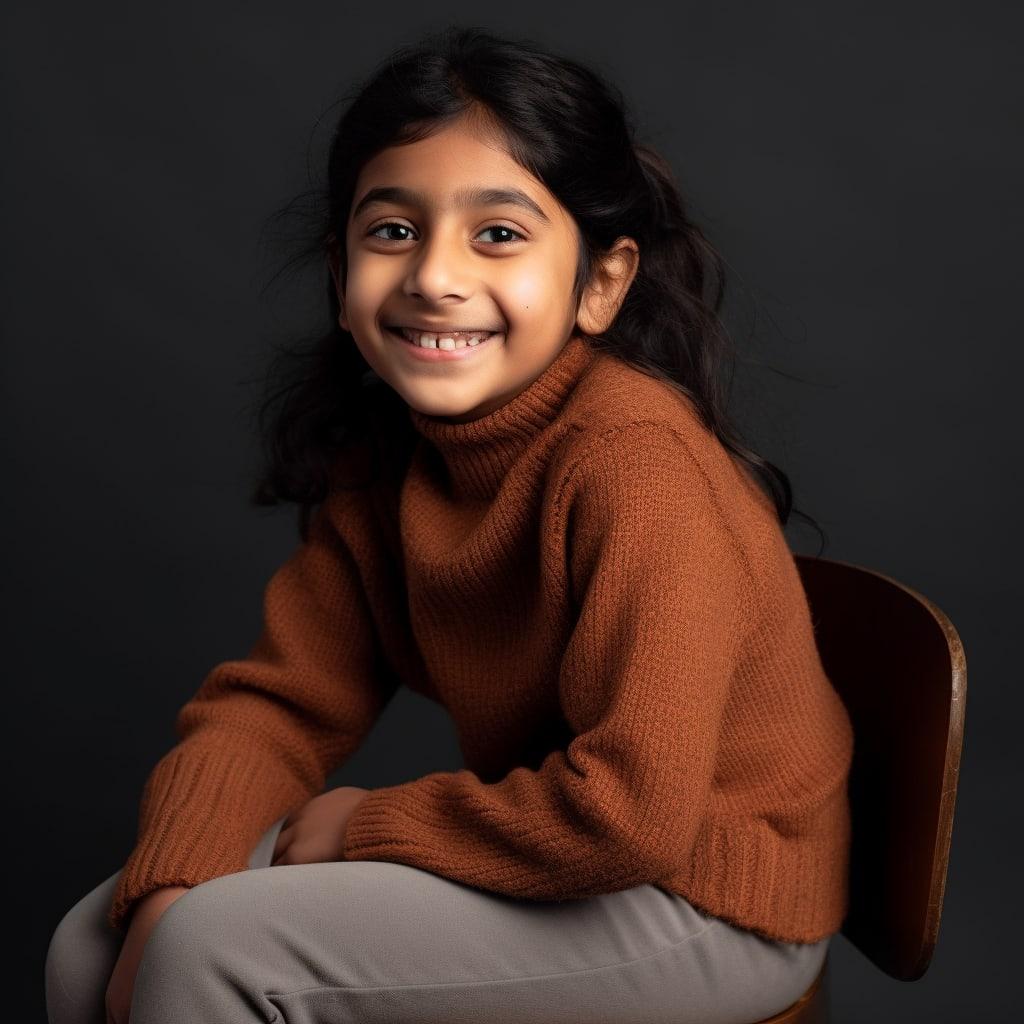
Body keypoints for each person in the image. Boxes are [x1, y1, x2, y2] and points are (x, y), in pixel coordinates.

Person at [45, 24, 854, 1024]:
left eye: (498, 234)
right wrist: (168, 885)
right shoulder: (388, 459)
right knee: (98, 940)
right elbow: (275, 709)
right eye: (392, 231)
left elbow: (629, 817)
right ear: (341, 276)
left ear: (599, 284)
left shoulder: (635, 466)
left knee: (217, 953)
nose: (433, 275)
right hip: (568, 849)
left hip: (701, 895)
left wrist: (366, 827)